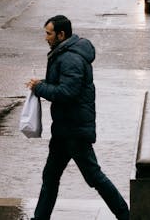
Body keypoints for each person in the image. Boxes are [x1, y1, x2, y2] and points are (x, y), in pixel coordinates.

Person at [26, 15, 130, 220]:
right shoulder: (65, 53)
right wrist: (43, 83)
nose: (46, 38)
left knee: (94, 177)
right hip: (65, 129)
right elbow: (63, 83)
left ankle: (126, 215)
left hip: (74, 129)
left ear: (61, 34)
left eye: (49, 33)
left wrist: (40, 88)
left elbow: (67, 92)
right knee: (50, 176)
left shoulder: (70, 58)